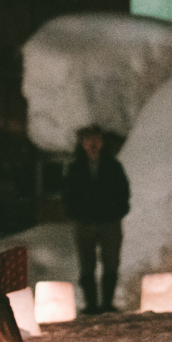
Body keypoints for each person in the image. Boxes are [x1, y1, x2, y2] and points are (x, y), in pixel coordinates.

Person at [61, 124, 130, 314]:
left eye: (96, 140)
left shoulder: (113, 167)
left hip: (110, 223)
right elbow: (68, 194)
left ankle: (107, 303)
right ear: (82, 143)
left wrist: (118, 212)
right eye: (88, 140)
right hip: (84, 223)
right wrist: (75, 213)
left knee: (111, 262)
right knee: (87, 264)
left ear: (102, 142)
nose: (93, 144)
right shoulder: (75, 168)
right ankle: (91, 305)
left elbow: (123, 192)